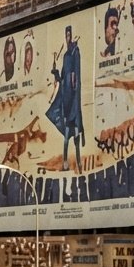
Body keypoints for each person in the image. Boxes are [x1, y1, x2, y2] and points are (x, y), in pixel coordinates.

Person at [47, 24, 84, 172]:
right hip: (66, 99)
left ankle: (79, 161)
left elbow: (77, 74)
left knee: (75, 134)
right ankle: (65, 161)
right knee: (67, 136)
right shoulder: (66, 55)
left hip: (73, 99)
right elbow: (62, 77)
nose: (68, 39)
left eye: (69, 35)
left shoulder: (75, 53)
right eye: (66, 36)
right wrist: (56, 73)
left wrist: (73, 83)